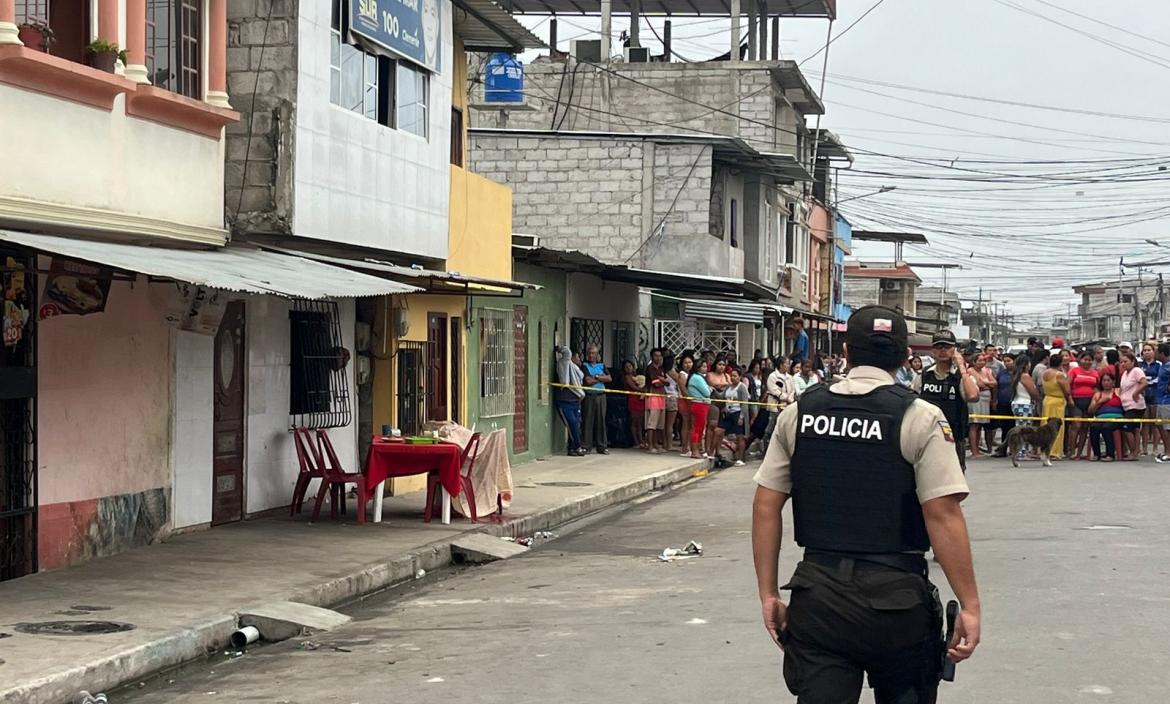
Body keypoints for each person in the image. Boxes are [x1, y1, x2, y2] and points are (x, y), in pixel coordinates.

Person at [752, 305, 980, 704]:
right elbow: (942, 514)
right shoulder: (920, 417)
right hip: (896, 604)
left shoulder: (799, 413)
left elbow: (766, 506)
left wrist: (769, 594)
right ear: (903, 353)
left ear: (846, 350)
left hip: (818, 598)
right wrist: (971, 605)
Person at [915, 330, 979, 472]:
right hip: (927, 439)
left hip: (953, 440)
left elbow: (973, 396)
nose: (942, 350)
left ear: (954, 350)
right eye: (938, 347)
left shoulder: (961, 377)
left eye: (947, 347)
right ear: (932, 350)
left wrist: (962, 367)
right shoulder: (924, 375)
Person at [1067, 351, 1100, 460]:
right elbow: (1067, 385)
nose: (1087, 362)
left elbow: (1097, 387)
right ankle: (1071, 451)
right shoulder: (1074, 371)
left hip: (1089, 402)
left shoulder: (1095, 373)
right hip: (1076, 401)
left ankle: (1079, 453)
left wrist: (1095, 400)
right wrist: (1069, 398)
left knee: (1085, 428)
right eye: (1085, 359)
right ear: (1080, 360)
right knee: (1076, 425)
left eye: (1089, 360)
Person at [554, 346, 586, 457]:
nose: (579, 360)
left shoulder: (575, 370)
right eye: (577, 357)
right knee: (571, 423)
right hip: (564, 402)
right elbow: (567, 351)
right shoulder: (564, 364)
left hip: (575, 402)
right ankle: (577, 447)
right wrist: (559, 348)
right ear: (571, 357)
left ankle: (573, 448)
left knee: (576, 425)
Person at [1041, 351, 1073, 461]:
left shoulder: (1045, 373)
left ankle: (1044, 450)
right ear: (1060, 363)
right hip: (1057, 401)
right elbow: (1067, 390)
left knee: (1045, 426)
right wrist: (1068, 399)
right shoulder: (1059, 375)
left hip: (1047, 399)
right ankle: (1054, 452)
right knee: (1057, 427)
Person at [715, 367, 750, 466]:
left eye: (735, 376)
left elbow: (745, 403)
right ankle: (716, 453)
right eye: (732, 376)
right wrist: (713, 390)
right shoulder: (728, 387)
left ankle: (741, 458)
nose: (733, 378)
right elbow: (721, 396)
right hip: (729, 413)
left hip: (738, 412)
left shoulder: (742, 387)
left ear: (740, 377)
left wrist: (741, 417)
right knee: (718, 431)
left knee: (740, 437)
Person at [580, 345, 611, 455]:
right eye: (589, 353)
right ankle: (586, 446)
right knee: (588, 420)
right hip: (589, 396)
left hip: (601, 395)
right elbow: (587, 381)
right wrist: (600, 378)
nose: (591, 355)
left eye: (593, 353)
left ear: (597, 354)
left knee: (601, 420)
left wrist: (596, 377)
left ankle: (602, 446)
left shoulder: (602, 365)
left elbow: (609, 378)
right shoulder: (584, 365)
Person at [965, 354, 996, 459]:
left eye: (983, 360)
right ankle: (974, 451)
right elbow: (979, 384)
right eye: (979, 360)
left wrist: (986, 383)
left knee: (980, 425)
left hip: (986, 399)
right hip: (976, 398)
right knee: (974, 424)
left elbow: (994, 383)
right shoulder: (970, 371)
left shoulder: (987, 370)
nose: (982, 362)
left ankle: (977, 449)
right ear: (974, 362)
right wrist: (986, 383)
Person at [1118, 351, 1148, 461]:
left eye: (1125, 361)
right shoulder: (1124, 374)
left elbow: (1144, 383)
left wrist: (1136, 393)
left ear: (1133, 361)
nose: (1123, 364)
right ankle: (1135, 451)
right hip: (1126, 405)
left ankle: (1132, 451)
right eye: (1121, 362)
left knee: (1127, 428)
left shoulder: (1137, 371)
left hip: (1135, 405)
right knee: (1135, 429)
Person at [1087, 373, 1123, 462]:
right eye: (1104, 380)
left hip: (1116, 418)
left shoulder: (1118, 391)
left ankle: (1110, 454)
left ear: (1113, 382)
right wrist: (1100, 402)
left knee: (1107, 427)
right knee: (1094, 427)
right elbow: (1090, 411)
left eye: (1108, 380)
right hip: (1100, 418)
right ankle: (1096, 454)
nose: (1106, 382)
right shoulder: (1097, 395)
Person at [686, 359, 713, 459]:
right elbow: (707, 392)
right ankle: (695, 450)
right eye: (703, 366)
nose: (705, 369)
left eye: (706, 366)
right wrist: (709, 388)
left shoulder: (699, 377)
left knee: (699, 428)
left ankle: (696, 449)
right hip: (699, 405)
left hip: (700, 405)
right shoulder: (697, 378)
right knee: (697, 429)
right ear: (698, 368)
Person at [643, 348, 668, 454]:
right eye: (656, 355)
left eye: (659, 355)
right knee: (651, 424)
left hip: (662, 396)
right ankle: (650, 446)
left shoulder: (662, 368)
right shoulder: (650, 368)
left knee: (659, 424)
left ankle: (657, 444)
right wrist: (663, 381)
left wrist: (662, 380)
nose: (658, 357)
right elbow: (656, 383)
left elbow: (667, 382)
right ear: (652, 357)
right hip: (652, 396)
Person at [706, 358, 732, 455]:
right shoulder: (710, 374)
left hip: (724, 404)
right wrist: (723, 385)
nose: (721, 367)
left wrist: (720, 385)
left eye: (723, 365)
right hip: (714, 402)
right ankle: (708, 449)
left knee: (721, 429)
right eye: (719, 364)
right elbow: (712, 384)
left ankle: (718, 450)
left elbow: (730, 385)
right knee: (712, 426)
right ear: (715, 365)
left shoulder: (726, 375)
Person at [1139, 342, 1162, 456]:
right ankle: (1144, 448)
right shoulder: (1139, 365)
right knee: (1145, 423)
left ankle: (1155, 448)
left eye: (1149, 350)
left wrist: (1148, 382)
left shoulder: (1158, 365)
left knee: (1155, 423)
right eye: (1145, 350)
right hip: (1143, 397)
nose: (1147, 352)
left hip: (1155, 396)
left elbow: (1159, 378)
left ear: (1154, 352)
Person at [673, 352, 694, 458]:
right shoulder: (682, 374)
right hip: (685, 400)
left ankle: (689, 446)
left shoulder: (692, 374)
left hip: (690, 400)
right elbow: (683, 389)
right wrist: (690, 399)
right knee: (686, 423)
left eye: (690, 362)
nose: (688, 364)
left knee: (690, 424)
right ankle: (685, 447)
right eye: (685, 362)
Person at [622, 360, 646, 449]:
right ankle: (635, 441)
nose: (628, 368)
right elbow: (634, 387)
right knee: (634, 420)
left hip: (640, 399)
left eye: (630, 366)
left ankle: (641, 439)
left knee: (640, 421)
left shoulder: (636, 376)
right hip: (633, 399)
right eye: (626, 367)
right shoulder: (627, 377)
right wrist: (644, 389)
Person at [1155, 343, 1170, 463]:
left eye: (1156, 351)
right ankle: (1166, 450)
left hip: (1167, 401)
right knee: (1159, 425)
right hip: (1160, 400)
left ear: (1162, 353)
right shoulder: (1162, 366)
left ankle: (1169, 452)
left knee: (1167, 428)